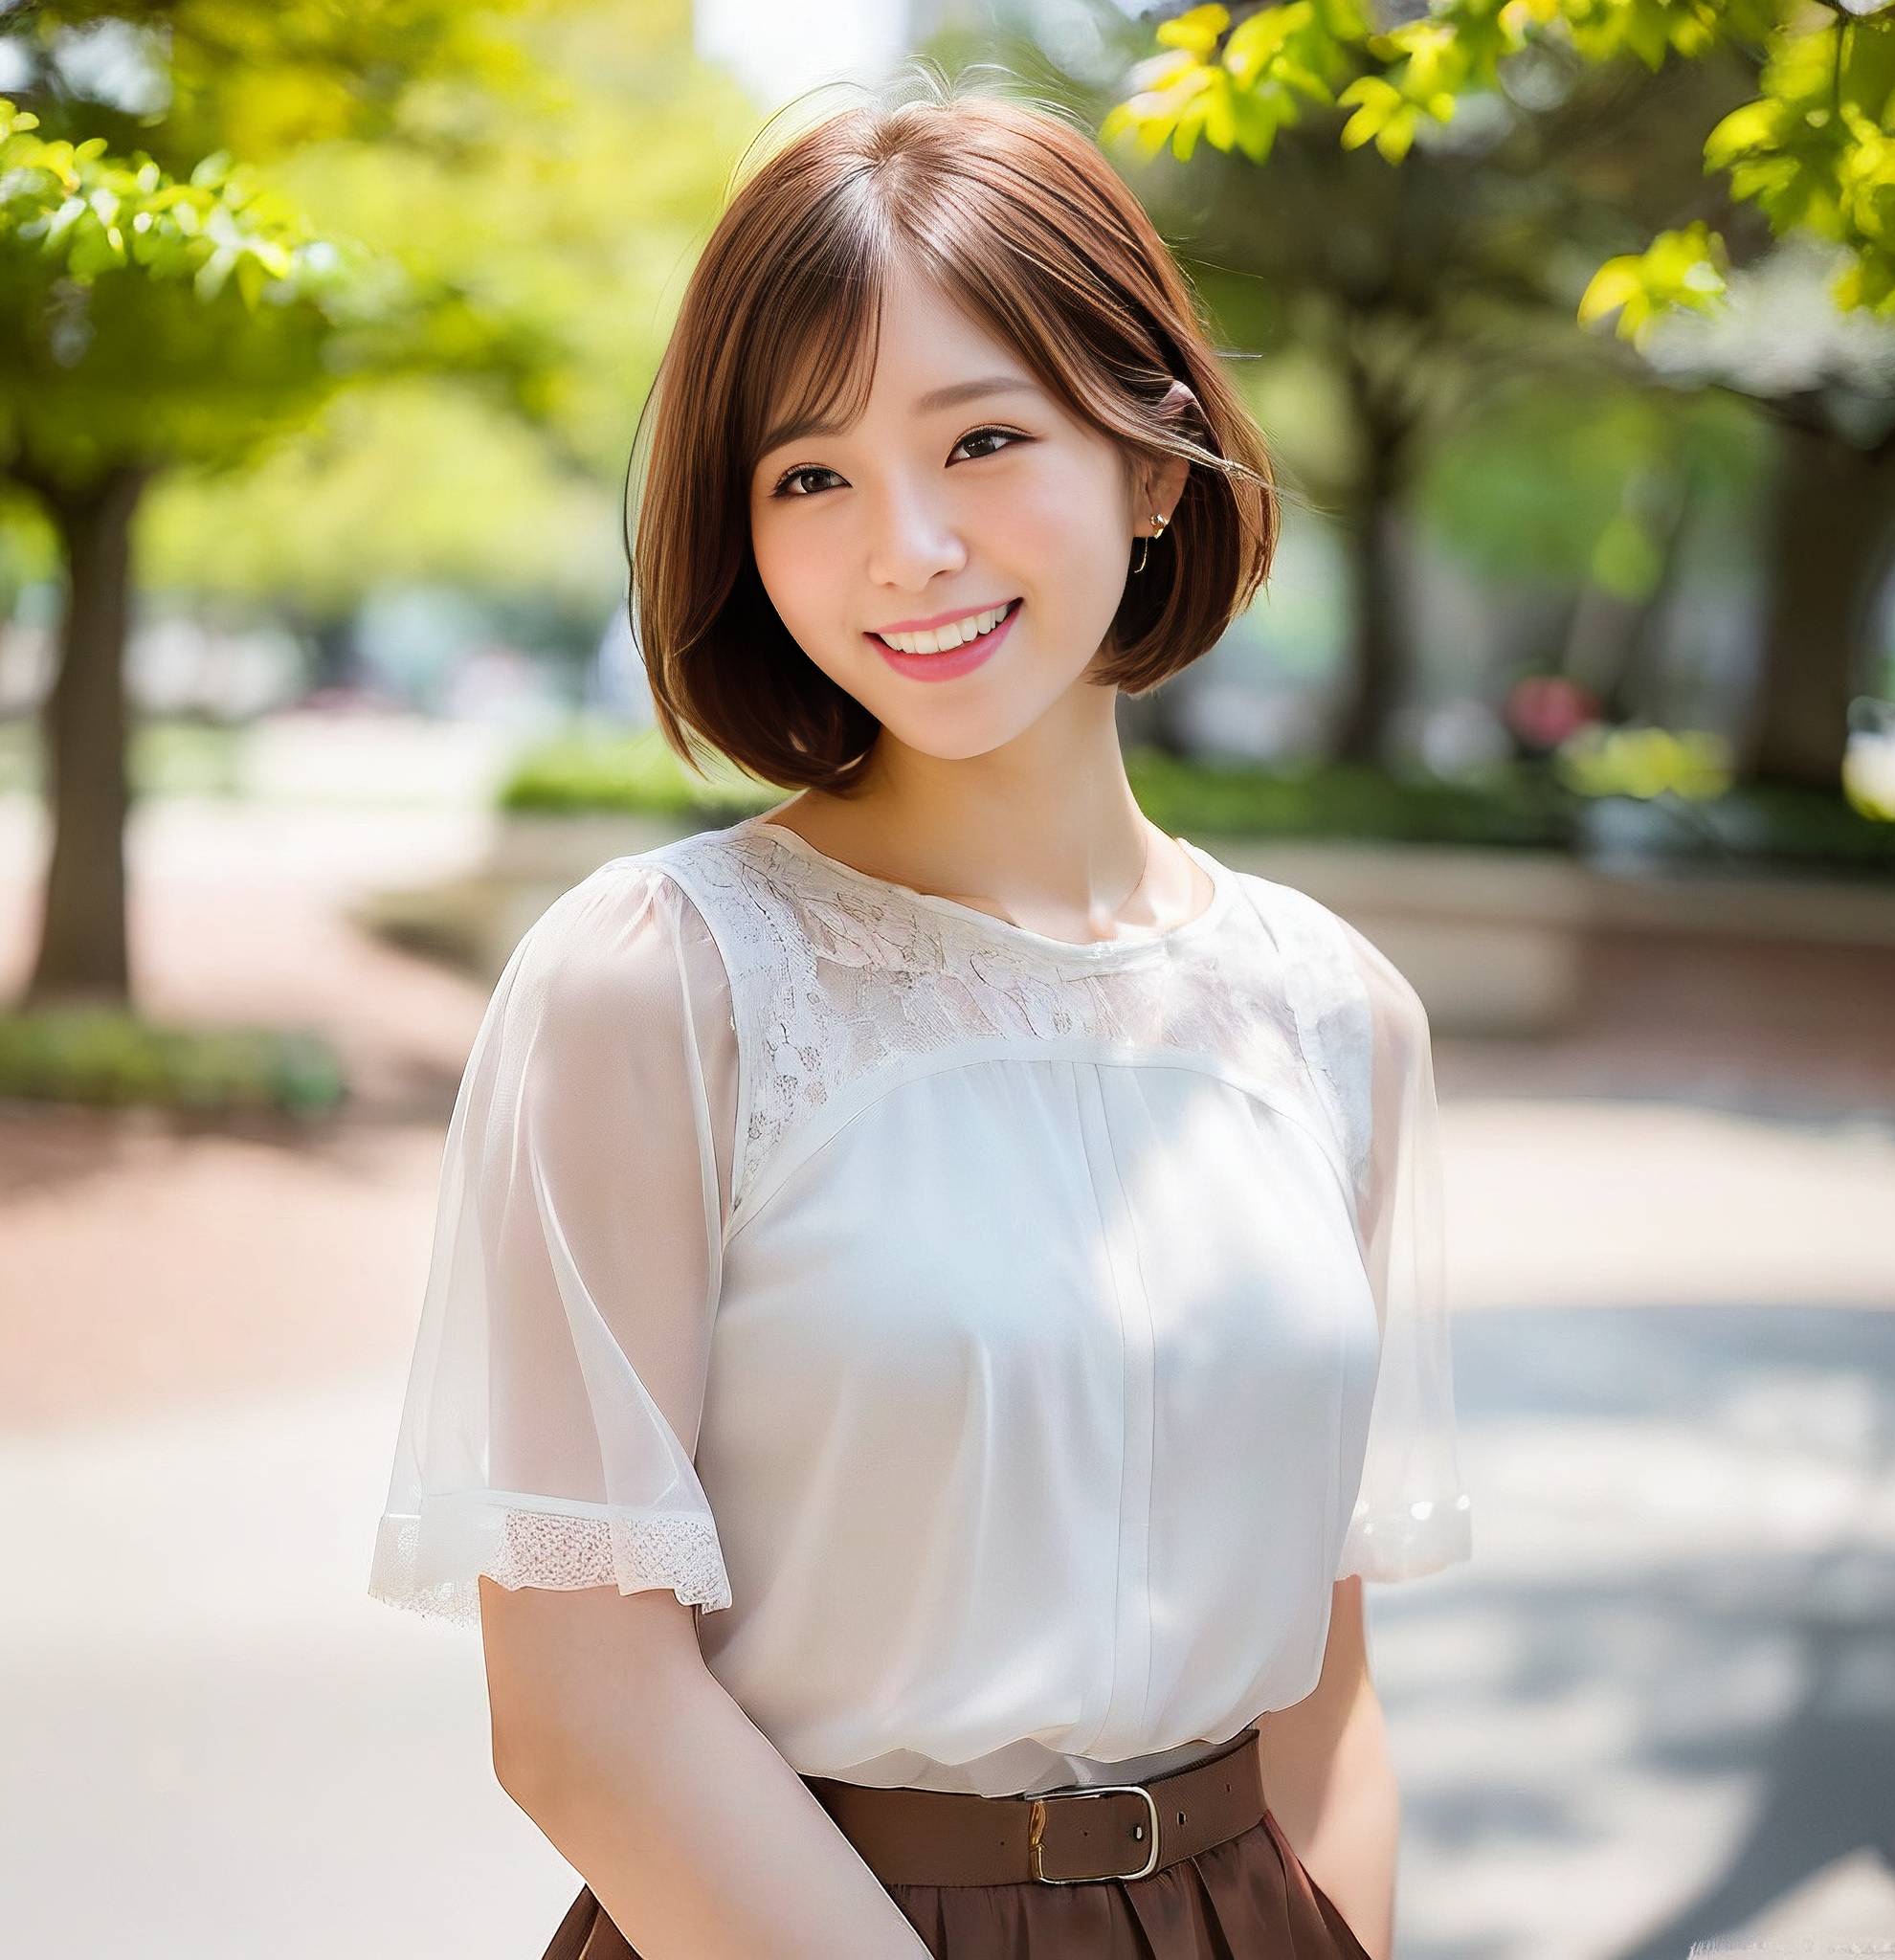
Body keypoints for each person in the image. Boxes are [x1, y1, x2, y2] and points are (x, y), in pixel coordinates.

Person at [366, 68, 1472, 1960]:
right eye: (811, 474)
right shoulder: (657, 982)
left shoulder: (1332, 1017)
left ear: (1150, 458)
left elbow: (1326, 1687)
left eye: (980, 441)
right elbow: (583, 1714)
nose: (907, 547)